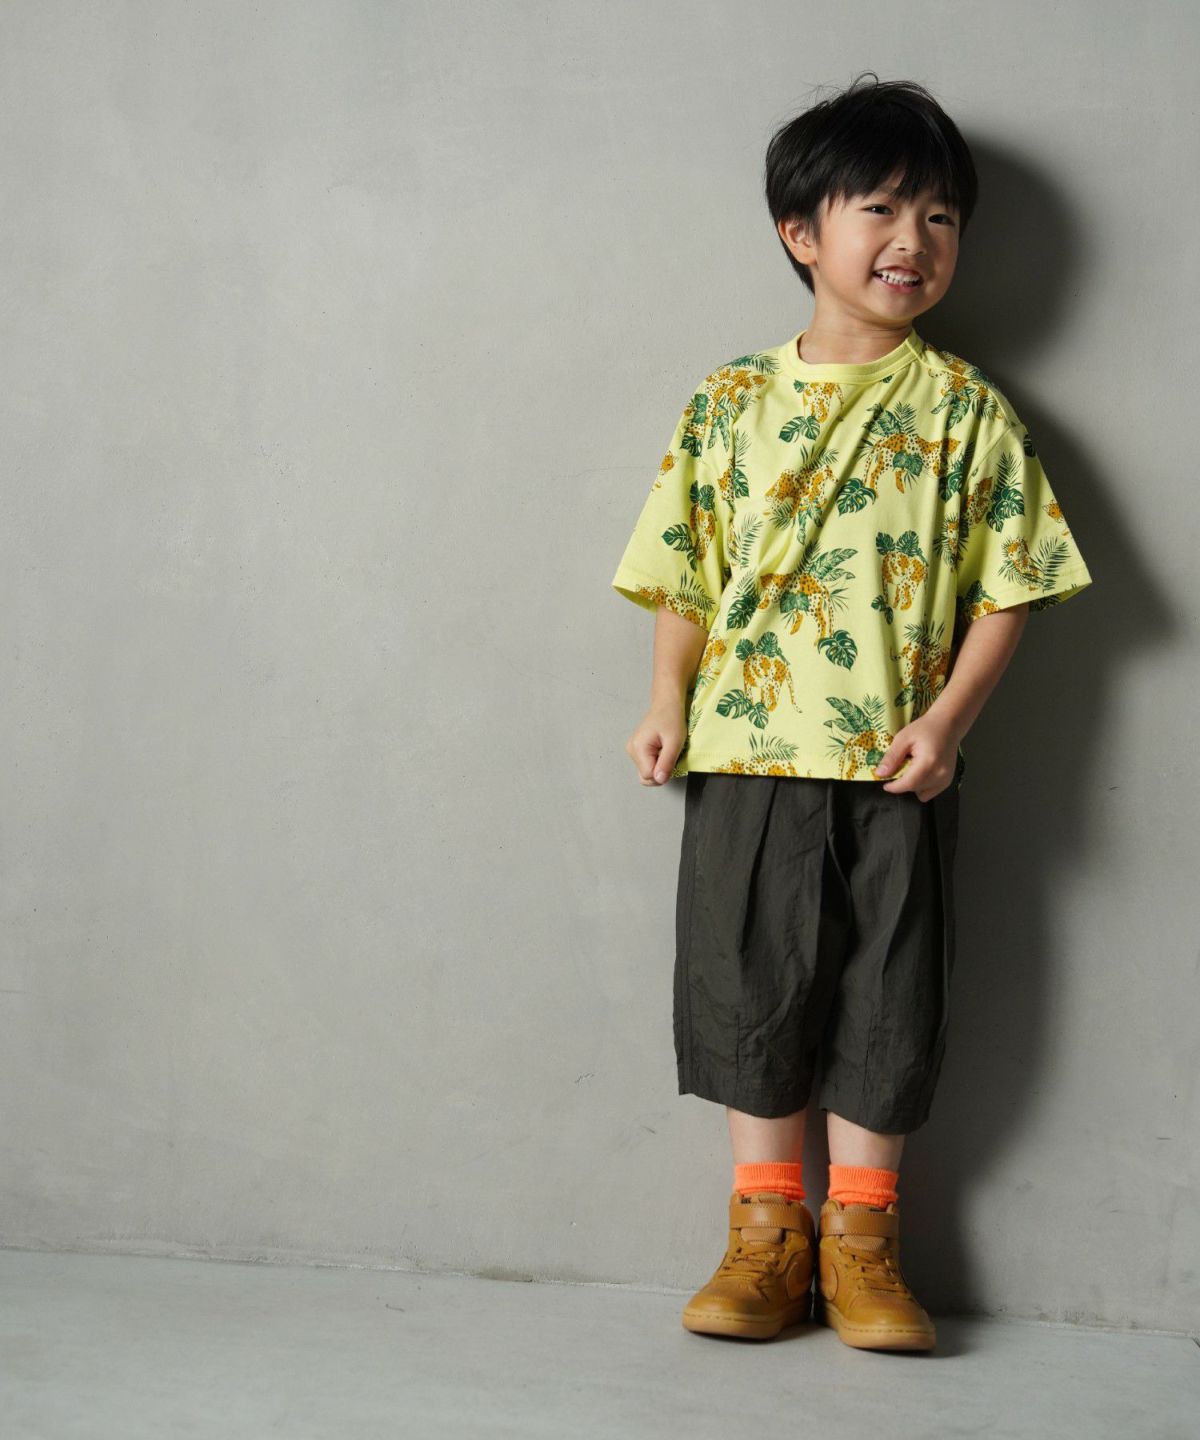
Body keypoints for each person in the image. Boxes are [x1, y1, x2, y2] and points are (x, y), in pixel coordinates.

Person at [609, 74, 1094, 1352]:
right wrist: (665, 697)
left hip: (898, 764)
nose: (912, 239)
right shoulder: (729, 402)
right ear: (800, 231)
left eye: (940, 217)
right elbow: (685, 571)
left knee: (890, 990)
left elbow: (1013, 586)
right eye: (878, 207)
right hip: (747, 750)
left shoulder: (968, 412)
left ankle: (865, 1247)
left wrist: (952, 724)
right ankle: (765, 1237)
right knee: (749, 979)